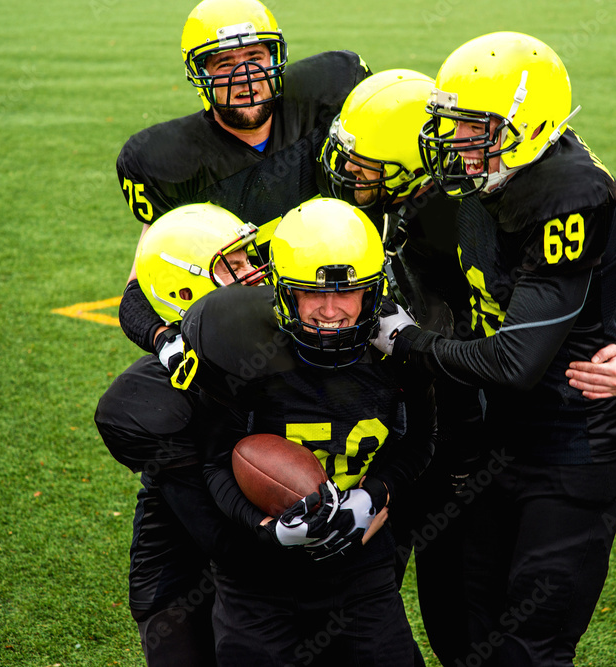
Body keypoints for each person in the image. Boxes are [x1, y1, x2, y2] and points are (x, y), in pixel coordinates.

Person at [322, 67, 616, 665]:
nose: (453, 143)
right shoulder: (469, 189)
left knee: (525, 649)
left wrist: (409, 341)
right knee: (460, 636)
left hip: (557, 442)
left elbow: (530, 341)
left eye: (470, 131)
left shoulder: (537, 196)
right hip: (462, 437)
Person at [96, 0, 369, 662]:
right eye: (225, 63)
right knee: (158, 449)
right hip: (225, 366)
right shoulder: (170, 160)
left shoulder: (328, 97)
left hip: (318, 355)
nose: (246, 78)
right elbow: (141, 287)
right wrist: (172, 344)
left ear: (278, 57)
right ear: (200, 74)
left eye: (255, 59)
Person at [177, 198, 435, 666]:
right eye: (311, 293)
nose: (330, 310)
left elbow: (418, 442)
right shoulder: (240, 345)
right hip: (257, 577)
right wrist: (268, 530)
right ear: (282, 293)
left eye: (348, 292)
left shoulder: (400, 352)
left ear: (375, 293)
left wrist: (372, 495)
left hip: (359, 569)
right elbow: (214, 462)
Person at [95, 202, 268, 665]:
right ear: (189, 284)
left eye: (248, 259)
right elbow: (226, 541)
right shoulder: (155, 398)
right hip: (188, 560)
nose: (254, 273)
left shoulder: (270, 338)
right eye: (234, 266)